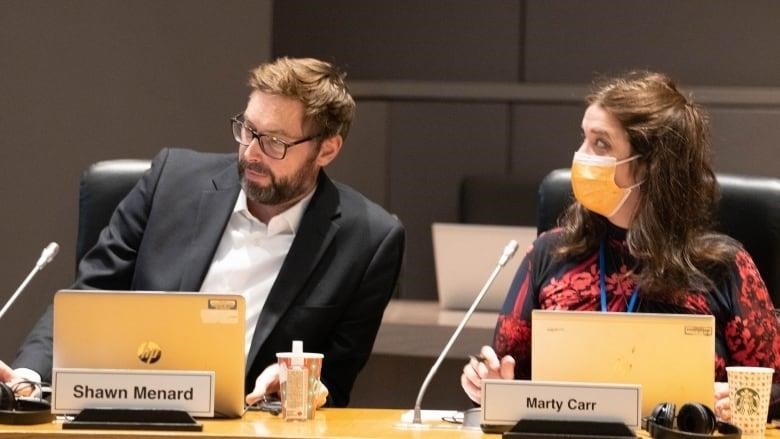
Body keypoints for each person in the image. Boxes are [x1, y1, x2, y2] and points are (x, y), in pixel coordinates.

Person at [0, 57, 405, 409]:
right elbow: (86, 300)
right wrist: (26, 379)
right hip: (129, 408)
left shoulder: (368, 240)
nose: (251, 153)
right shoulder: (170, 182)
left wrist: (299, 389)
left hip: (250, 426)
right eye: (248, 130)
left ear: (327, 150)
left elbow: (334, 381)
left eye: (276, 142)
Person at [460, 70, 779, 421]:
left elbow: (774, 387)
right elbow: (509, 375)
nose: (580, 157)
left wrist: (746, 400)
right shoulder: (549, 255)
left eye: (601, 143)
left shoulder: (723, 267)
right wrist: (489, 382)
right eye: (583, 139)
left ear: (650, 166)